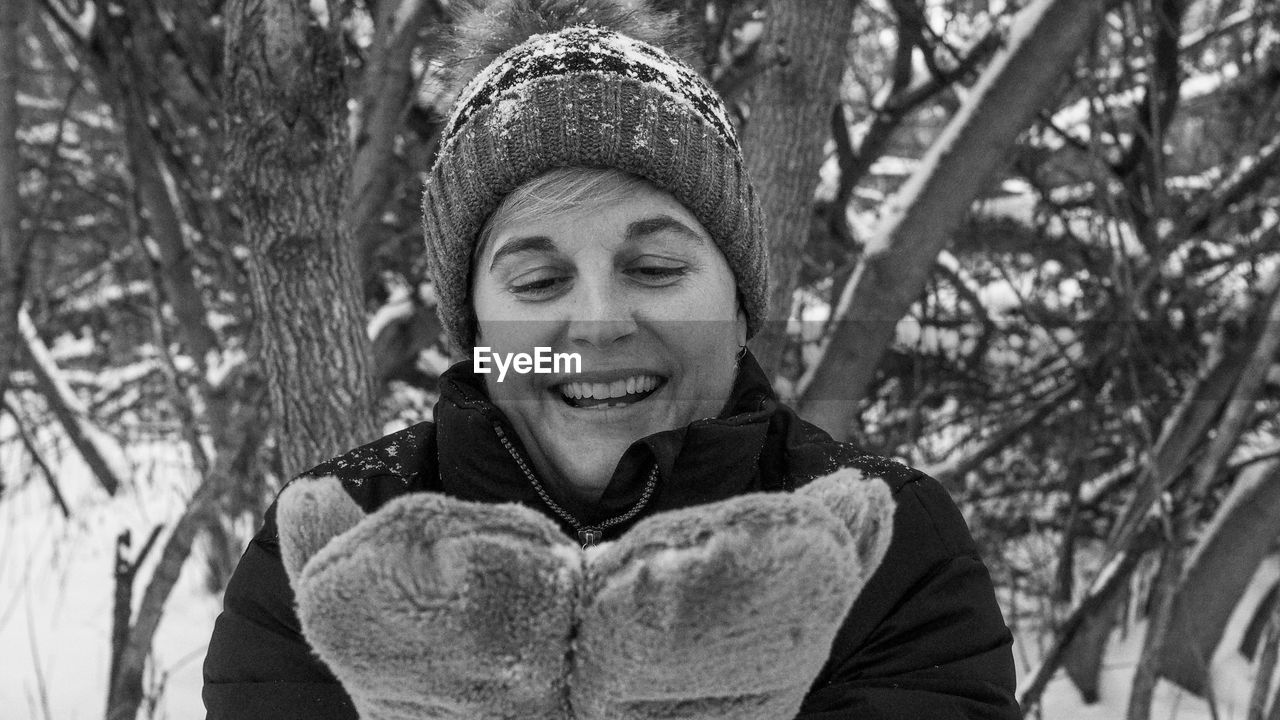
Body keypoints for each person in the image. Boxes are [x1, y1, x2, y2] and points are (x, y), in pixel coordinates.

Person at [202, 1, 1018, 718]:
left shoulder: (885, 545)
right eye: (538, 279)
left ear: (739, 308)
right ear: (478, 335)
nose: (596, 324)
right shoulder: (335, 551)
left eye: (657, 269)